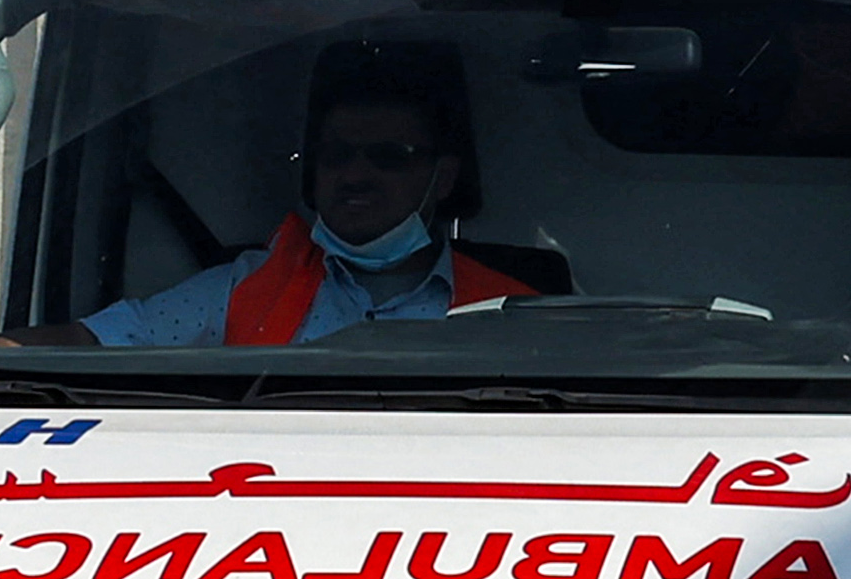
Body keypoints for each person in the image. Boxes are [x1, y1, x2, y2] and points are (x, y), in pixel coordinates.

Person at [53, 29, 565, 346]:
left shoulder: (511, 312)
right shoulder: (248, 288)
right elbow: (95, 341)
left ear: (443, 177)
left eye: (389, 157)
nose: (356, 174)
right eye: (337, 155)